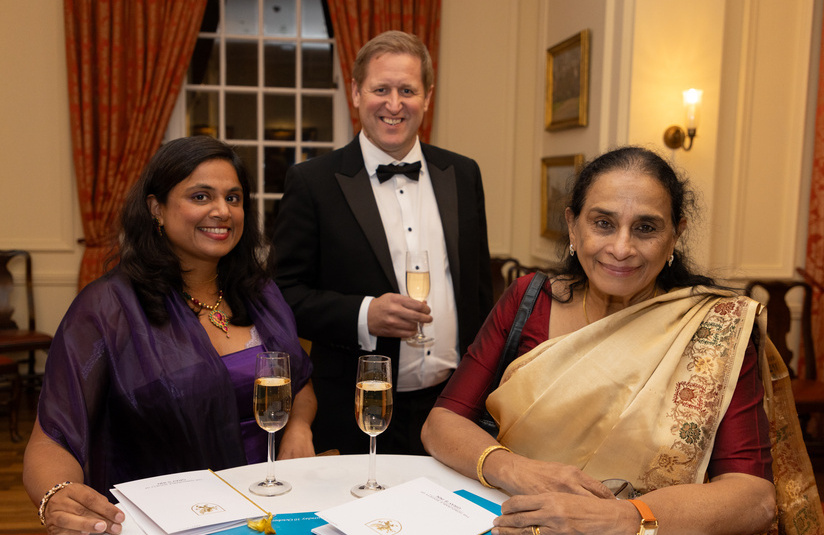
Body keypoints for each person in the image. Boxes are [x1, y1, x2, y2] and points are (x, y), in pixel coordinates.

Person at [421, 146, 778, 534]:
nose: (621, 248)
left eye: (646, 228)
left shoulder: (712, 328)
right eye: (603, 223)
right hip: (515, 521)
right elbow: (442, 423)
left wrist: (627, 518)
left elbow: (754, 497)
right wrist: (517, 469)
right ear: (574, 227)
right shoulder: (530, 300)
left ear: (676, 234)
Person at [23, 136, 317, 535]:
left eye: (233, 198)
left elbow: (296, 381)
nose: (222, 211)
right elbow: (51, 437)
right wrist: (57, 495)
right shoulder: (108, 308)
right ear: (156, 208)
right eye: (201, 196)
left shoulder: (260, 291)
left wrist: (299, 426)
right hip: (170, 521)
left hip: (278, 509)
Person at [273, 30, 492, 455]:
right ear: (356, 92)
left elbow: (480, 291)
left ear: (427, 97)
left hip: (452, 408)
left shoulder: (463, 174)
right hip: (357, 408)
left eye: (407, 90)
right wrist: (364, 314)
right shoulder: (313, 182)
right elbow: (283, 296)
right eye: (381, 89)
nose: (394, 105)